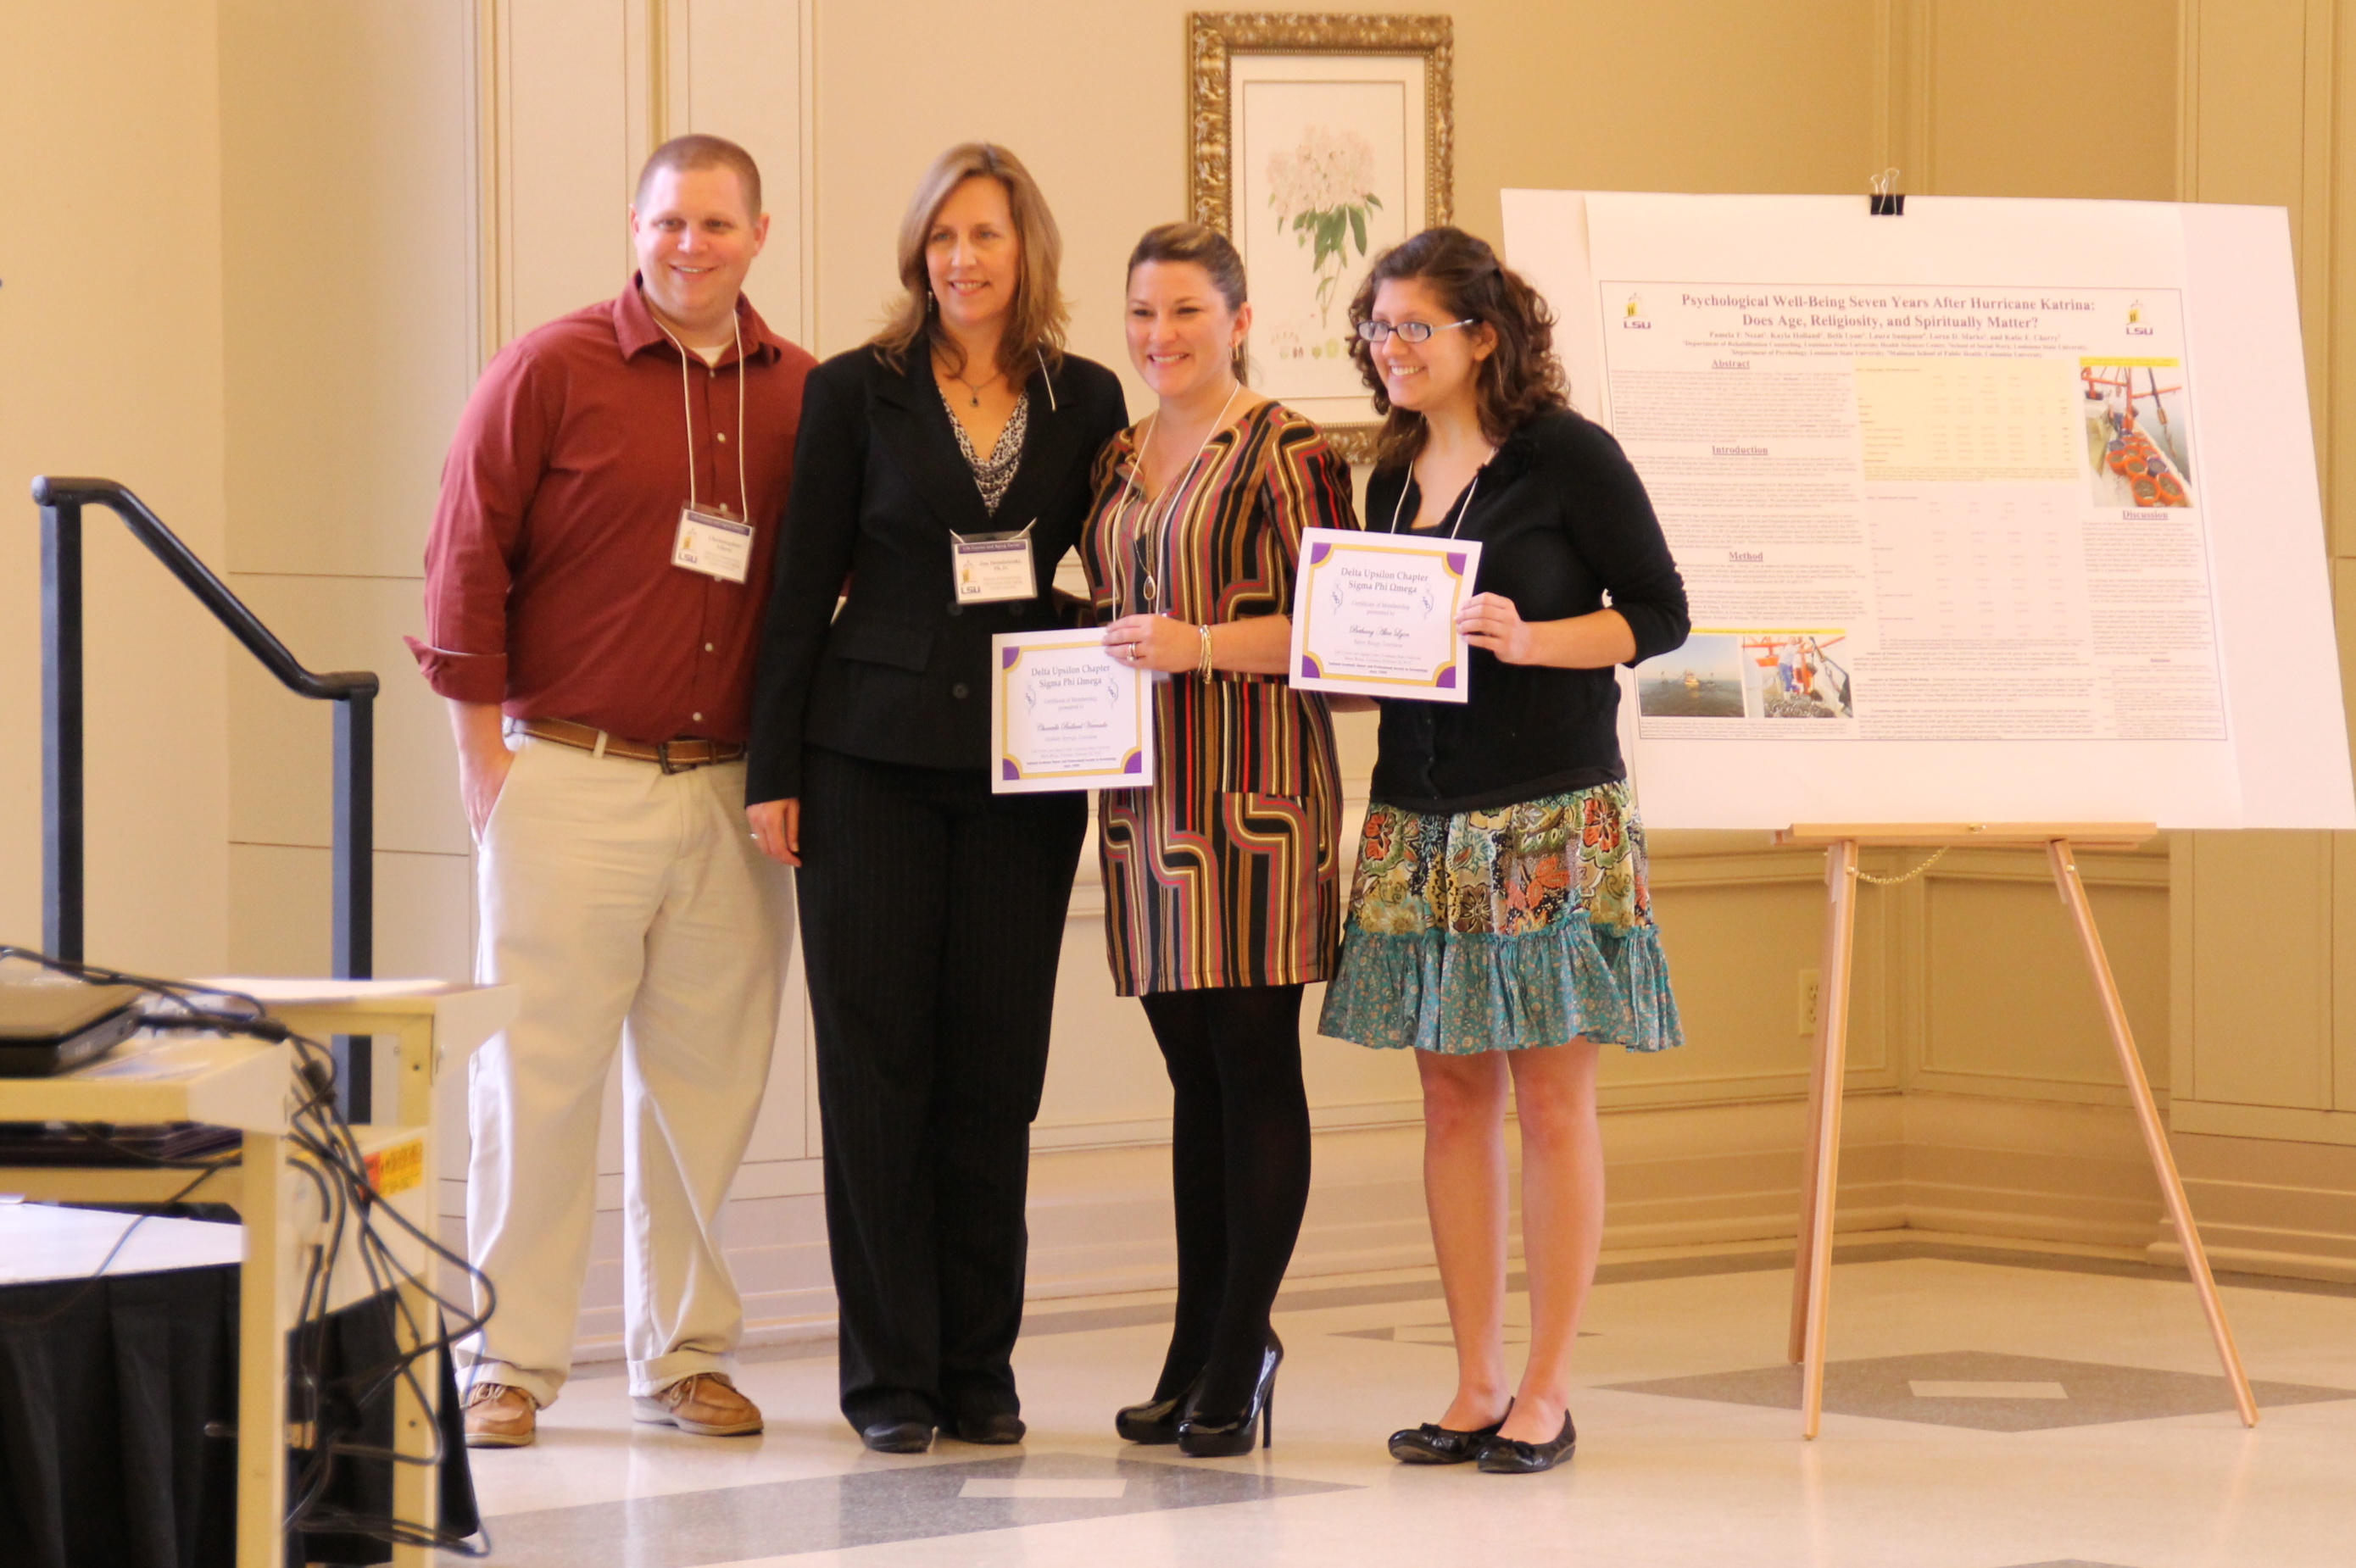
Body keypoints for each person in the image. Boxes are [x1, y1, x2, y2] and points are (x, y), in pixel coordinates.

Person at [410, 135, 816, 1448]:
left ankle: (684, 1354)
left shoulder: (806, 393)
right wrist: (484, 758)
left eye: (716, 223)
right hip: (569, 775)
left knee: (708, 1090)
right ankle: (509, 1363)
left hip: (731, 793)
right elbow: (464, 555)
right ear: (634, 229)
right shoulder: (550, 368)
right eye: (668, 222)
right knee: (534, 1083)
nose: (690, 245)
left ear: (759, 234)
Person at [744, 144, 1128, 1454]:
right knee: (875, 1071)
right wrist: (774, 770)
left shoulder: (1087, 396)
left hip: (1025, 770)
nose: (962, 258)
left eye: (987, 235)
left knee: (994, 1070)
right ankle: (891, 1379)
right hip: (867, 763)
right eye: (943, 236)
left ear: (1028, 250)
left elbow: (1115, 563)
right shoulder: (857, 388)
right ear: (919, 251)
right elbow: (800, 586)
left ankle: (979, 1368)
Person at [1317, 227, 1689, 1476]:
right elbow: (1401, 654)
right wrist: (1341, 668)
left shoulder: (1568, 455)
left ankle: (1547, 1388)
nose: (1390, 347)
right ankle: (1476, 1381)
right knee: (1450, 1097)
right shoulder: (1388, 475)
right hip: (1417, 816)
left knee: (1550, 1100)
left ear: (1483, 336)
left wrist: (1532, 640)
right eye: (1377, 328)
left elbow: (1661, 615)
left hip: (1545, 817)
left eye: (1412, 326)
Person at [1083, 224, 1354, 1458]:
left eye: (1187, 310)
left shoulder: (1288, 448)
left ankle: (1243, 1346)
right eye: (1144, 312)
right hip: (1147, 802)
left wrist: (1194, 644)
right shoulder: (1118, 455)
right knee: (1194, 1080)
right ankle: (1198, 1343)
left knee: (1253, 1070)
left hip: (1256, 794)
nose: (1161, 335)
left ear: (1240, 321)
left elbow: (1338, 629)